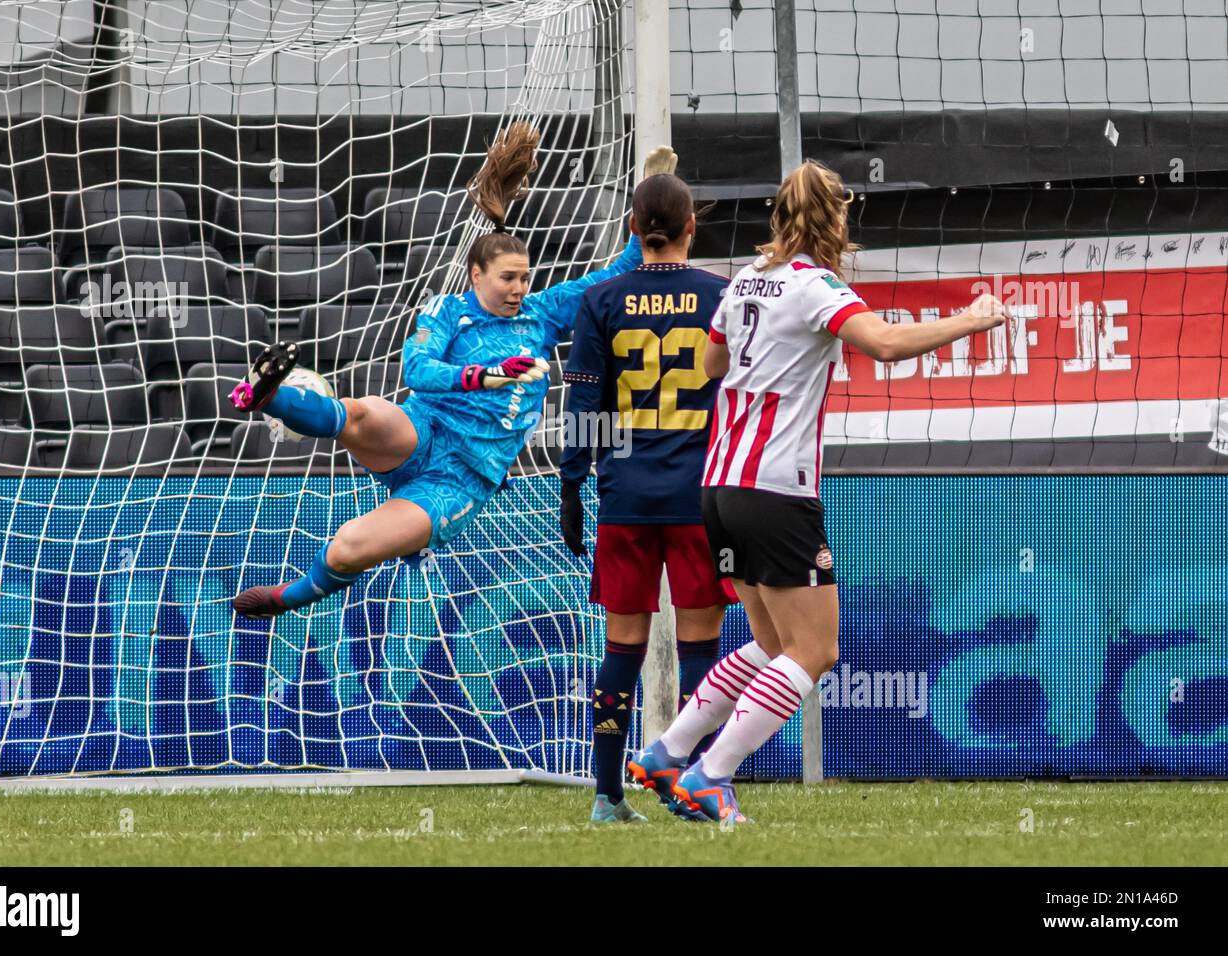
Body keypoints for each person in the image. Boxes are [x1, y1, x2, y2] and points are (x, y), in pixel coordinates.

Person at [629, 159, 1008, 822]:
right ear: (835, 219)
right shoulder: (812, 285)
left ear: (778, 215)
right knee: (817, 650)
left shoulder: (746, 279)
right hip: (776, 490)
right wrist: (972, 320)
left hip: (719, 486)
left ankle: (668, 749)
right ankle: (711, 775)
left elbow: (712, 363)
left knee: (776, 645)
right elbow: (885, 345)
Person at [228, 125, 669, 619]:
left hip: (461, 478)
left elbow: (614, 275)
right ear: (476, 275)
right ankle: (266, 397)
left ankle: (287, 598)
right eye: (507, 278)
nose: (518, 287)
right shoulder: (447, 311)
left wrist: (645, 215)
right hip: (423, 429)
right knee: (366, 414)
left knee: (349, 546)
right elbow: (416, 369)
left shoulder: (541, 314)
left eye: (524, 277)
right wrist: (485, 376)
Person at [559, 170, 732, 823]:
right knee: (701, 654)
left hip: (626, 495)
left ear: (633, 230)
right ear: (693, 226)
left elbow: (586, 402)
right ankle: (698, 787)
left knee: (621, 652)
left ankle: (607, 795)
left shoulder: (602, 301)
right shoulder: (721, 295)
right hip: (700, 498)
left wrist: (574, 485)